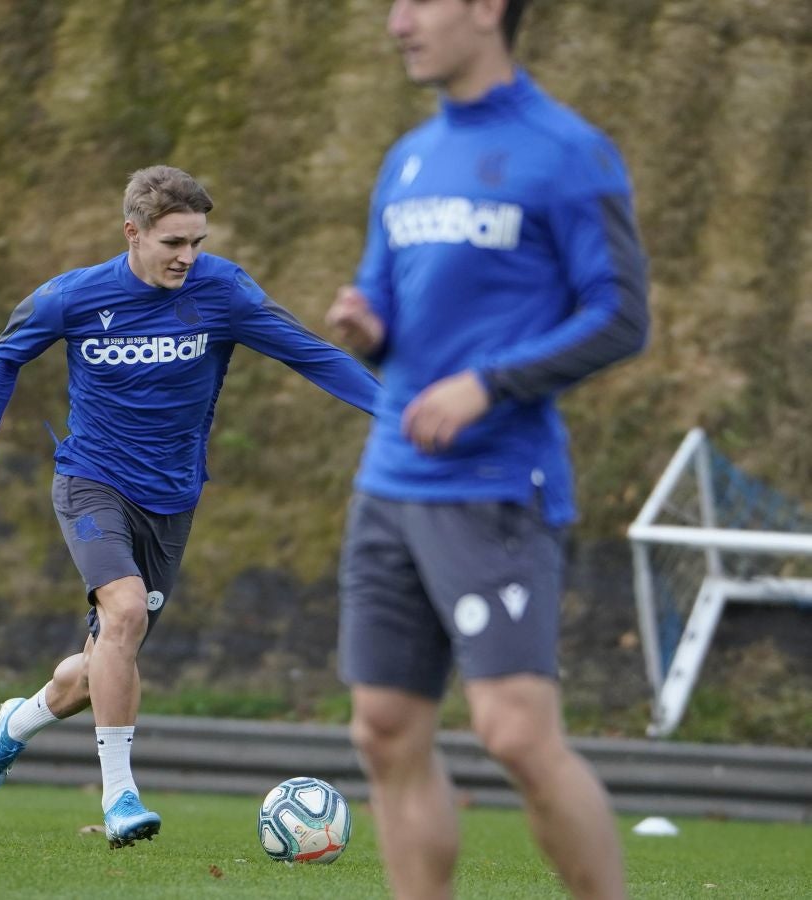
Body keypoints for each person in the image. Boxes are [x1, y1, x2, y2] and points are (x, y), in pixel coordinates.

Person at [0, 165, 378, 848]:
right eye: (173, 242)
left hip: (173, 496)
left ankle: (18, 723)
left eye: (196, 242)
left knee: (99, 665)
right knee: (121, 612)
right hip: (90, 479)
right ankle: (120, 796)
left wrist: (392, 413)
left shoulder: (224, 293)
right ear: (133, 233)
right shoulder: (74, 297)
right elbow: (2, 358)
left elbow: (312, 355)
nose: (186, 256)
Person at [326, 1, 649, 897]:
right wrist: (368, 328)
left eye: (417, 3)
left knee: (512, 732)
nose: (396, 23)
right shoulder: (408, 158)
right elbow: (390, 314)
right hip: (388, 479)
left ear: (483, 8)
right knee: (383, 727)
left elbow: (620, 316)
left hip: (497, 482)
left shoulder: (566, 151)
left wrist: (489, 383)